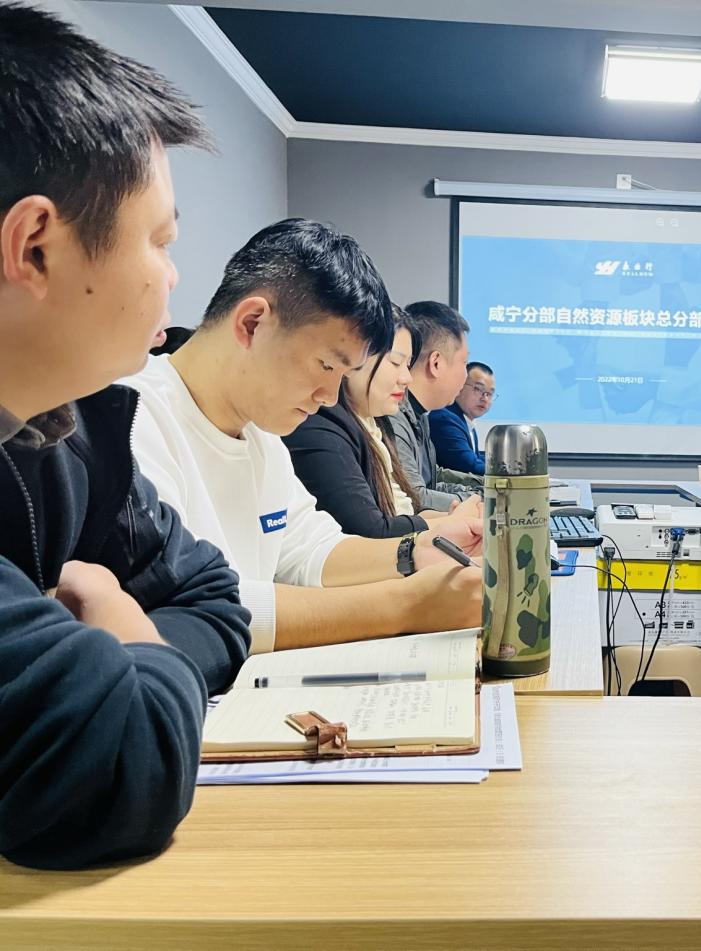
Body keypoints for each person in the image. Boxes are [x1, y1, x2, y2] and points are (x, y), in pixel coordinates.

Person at [0, 2, 250, 869]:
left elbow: (214, 599)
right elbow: (116, 764)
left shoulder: (63, 427)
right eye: (159, 240)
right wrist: (117, 619)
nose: (172, 276)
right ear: (35, 246)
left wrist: (111, 648)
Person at [125, 219, 482, 655]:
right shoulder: (134, 419)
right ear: (253, 323)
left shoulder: (262, 435)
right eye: (326, 366)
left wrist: (418, 550)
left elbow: (310, 549)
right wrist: (407, 606)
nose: (329, 396)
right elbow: (192, 609)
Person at [285, 302, 481, 538]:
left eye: (407, 365)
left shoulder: (376, 425)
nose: (406, 378)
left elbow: (402, 510)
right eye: (396, 363)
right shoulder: (322, 424)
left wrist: (456, 519)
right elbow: (371, 530)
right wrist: (452, 521)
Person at [388, 301, 483, 505]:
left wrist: (488, 488)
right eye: (464, 363)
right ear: (436, 363)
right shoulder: (393, 416)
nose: (465, 375)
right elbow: (416, 498)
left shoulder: (420, 415)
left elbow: (431, 479)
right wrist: (490, 498)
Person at [431, 361, 495, 475]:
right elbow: (471, 466)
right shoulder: (445, 419)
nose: (484, 399)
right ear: (460, 385)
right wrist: (511, 470)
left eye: (489, 394)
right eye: (478, 389)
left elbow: (476, 457)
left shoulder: (465, 420)